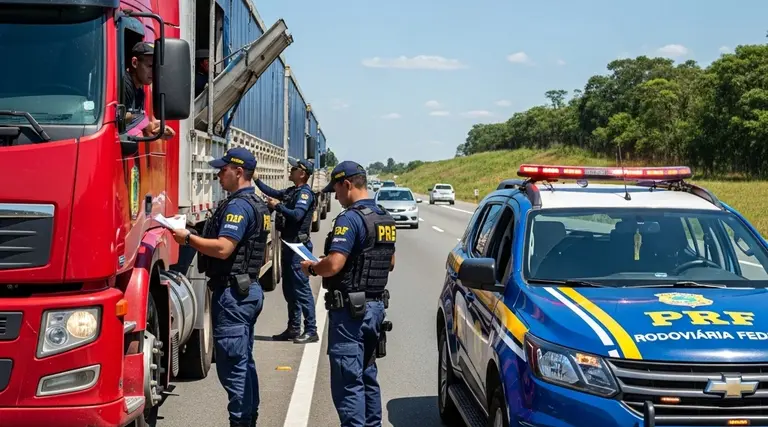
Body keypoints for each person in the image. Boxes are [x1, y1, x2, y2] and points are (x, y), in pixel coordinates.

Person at [170, 147, 270, 427]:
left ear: (238, 172)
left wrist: (188, 239)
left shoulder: (238, 206)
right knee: (243, 362)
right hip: (247, 289)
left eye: (223, 170)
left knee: (233, 367)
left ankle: (241, 422)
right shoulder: (256, 203)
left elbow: (225, 248)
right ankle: (248, 418)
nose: (218, 174)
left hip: (233, 295)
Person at [299, 161, 396, 427]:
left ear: (348, 184)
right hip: (375, 309)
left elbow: (334, 264)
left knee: (348, 382)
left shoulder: (350, 218)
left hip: (350, 313)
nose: (336, 196)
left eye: (337, 190)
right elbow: (390, 262)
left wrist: (312, 267)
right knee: (367, 376)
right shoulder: (384, 216)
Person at [255, 158, 319, 344]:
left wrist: (277, 206)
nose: (290, 171)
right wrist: (257, 180)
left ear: (302, 174)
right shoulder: (293, 191)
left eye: (293, 169)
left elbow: (297, 215)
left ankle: (311, 329)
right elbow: (273, 192)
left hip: (299, 247)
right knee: (289, 290)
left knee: (301, 289)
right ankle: (293, 328)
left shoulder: (305, 194)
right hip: (288, 245)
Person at [123, 41, 175, 139]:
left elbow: (136, 118)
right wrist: (146, 124)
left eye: (156, 67)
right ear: (134, 63)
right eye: (150, 66)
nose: (154, 72)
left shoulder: (140, 91)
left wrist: (157, 128)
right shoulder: (123, 84)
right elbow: (118, 118)